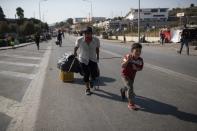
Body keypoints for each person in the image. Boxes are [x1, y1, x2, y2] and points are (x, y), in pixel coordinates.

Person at [74, 26, 100, 95]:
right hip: (83, 59)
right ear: (83, 34)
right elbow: (76, 47)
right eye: (85, 33)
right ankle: (87, 89)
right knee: (86, 74)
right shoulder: (79, 40)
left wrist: (98, 56)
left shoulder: (96, 40)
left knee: (94, 74)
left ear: (91, 33)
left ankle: (91, 80)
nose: (87, 35)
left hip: (93, 59)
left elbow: (97, 48)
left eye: (89, 33)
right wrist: (75, 53)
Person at [120, 43, 144, 110]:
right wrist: (128, 60)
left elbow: (140, 68)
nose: (138, 53)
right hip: (124, 75)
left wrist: (136, 68)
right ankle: (131, 104)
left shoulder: (140, 60)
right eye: (136, 51)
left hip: (132, 76)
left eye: (140, 51)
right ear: (132, 51)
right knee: (130, 88)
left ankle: (122, 90)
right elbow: (122, 65)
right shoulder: (127, 56)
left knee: (127, 86)